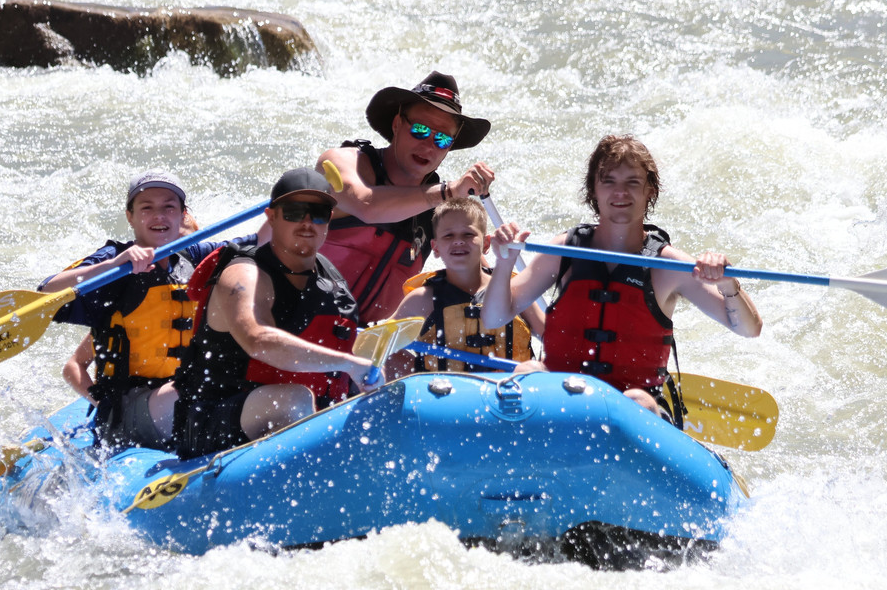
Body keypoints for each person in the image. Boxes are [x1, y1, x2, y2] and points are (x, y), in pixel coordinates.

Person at [481, 135, 762, 423]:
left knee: (636, 400)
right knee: (528, 372)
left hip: (638, 409)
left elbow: (749, 329)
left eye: (632, 182)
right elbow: (494, 317)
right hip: (563, 401)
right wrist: (504, 264)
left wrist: (728, 283)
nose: (620, 192)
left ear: (649, 191)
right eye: (609, 181)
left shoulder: (669, 265)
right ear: (594, 188)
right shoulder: (564, 250)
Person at [40, 170, 264, 450]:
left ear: (182, 215)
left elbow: (262, 241)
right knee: (202, 386)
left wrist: (287, 207)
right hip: (131, 409)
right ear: (130, 216)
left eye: (169, 207)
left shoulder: (190, 255)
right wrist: (114, 265)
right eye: (147, 208)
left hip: (177, 396)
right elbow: (47, 291)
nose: (159, 215)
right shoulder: (114, 260)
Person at [173, 167, 382, 459]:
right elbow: (257, 339)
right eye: (295, 212)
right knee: (293, 400)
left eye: (318, 213)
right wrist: (349, 363)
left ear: (329, 220)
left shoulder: (333, 283)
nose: (307, 222)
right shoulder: (243, 274)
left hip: (306, 422)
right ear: (271, 217)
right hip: (214, 422)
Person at [315, 71, 495, 325]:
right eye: (420, 130)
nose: (429, 145)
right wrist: (450, 192)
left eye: (442, 139)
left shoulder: (439, 209)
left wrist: (506, 278)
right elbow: (367, 205)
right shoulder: (344, 162)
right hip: (295, 322)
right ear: (397, 124)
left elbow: (477, 273)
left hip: (366, 344)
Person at [390, 196, 543, 373]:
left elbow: (552, 338)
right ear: (436, 248)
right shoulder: (422, 300)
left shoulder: (515, 290)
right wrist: (412, 372)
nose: (458, 241)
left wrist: (538, 368)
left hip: (511, 392)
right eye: (448, 235)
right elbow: (379, 347)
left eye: (468, 234)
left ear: (486, 244)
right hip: (443, 396)